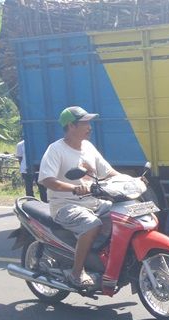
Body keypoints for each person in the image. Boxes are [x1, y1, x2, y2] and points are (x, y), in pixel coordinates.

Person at [38, 106, 119, 287]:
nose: (89, 127)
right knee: (92, 224)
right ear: (71, 126)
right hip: (65, 205)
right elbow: (47, 180)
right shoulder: (56, 149)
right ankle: (77, 273)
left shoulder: (88, 147)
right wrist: (74, 189)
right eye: (85, 123)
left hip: (94, 202)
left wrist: (131, 180)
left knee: (126, 216)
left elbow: (108, 171)